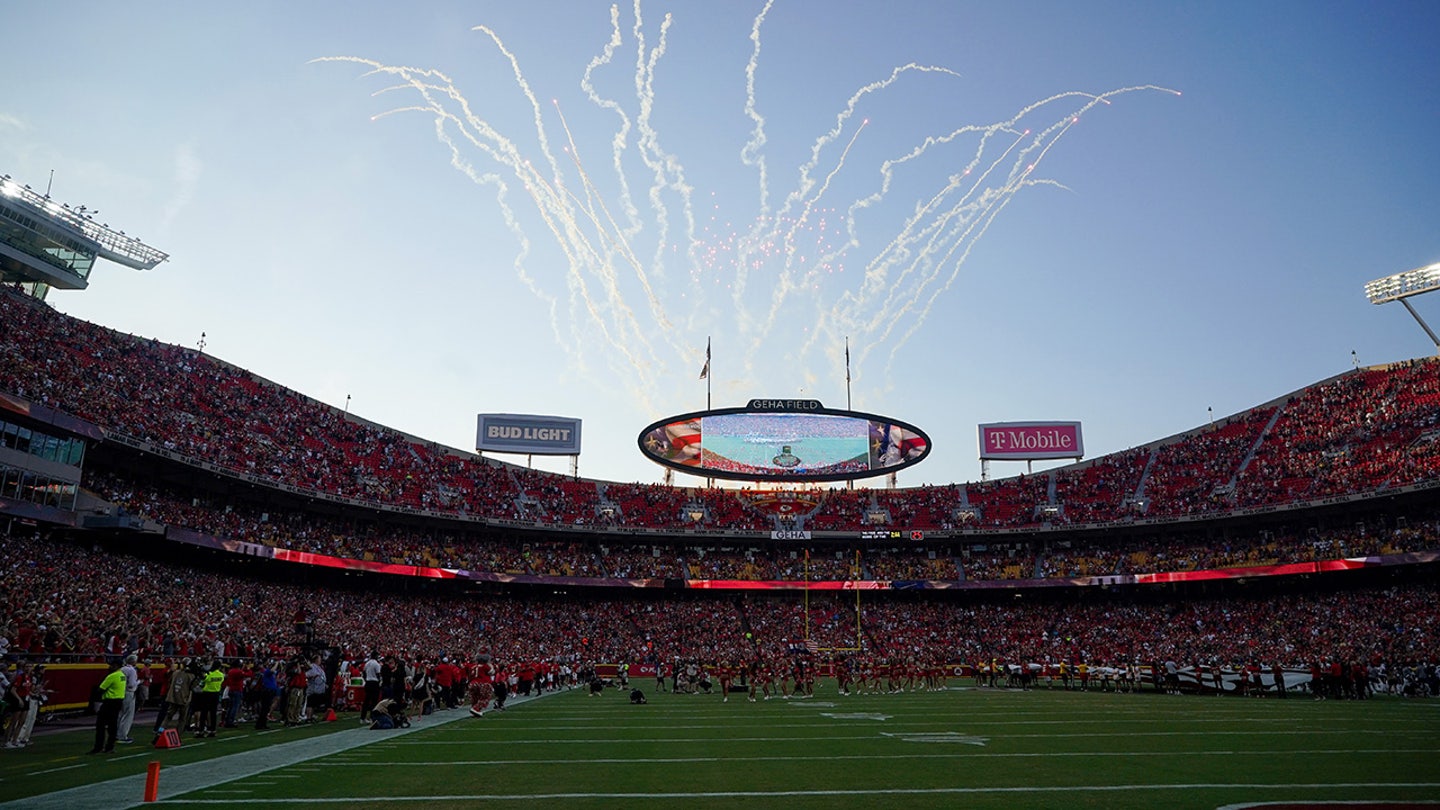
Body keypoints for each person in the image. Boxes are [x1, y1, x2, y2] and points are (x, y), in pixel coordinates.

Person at [90, 662, 127, 754]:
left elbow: (101, 689)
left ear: (117, 666)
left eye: (112, 665)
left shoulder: (112, 676)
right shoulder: (122, 675)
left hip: (109, 702)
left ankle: (98, 747)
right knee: (112, 725)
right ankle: (110, 747)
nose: (110, 667)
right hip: (118, 701)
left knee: (100, 725)